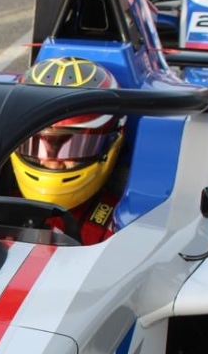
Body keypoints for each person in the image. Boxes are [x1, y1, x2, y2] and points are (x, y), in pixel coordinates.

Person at [8, 57, 127, 244]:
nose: (50, 162)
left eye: (71, 148)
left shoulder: (123, 223)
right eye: (36, 145)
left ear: (112, 142)